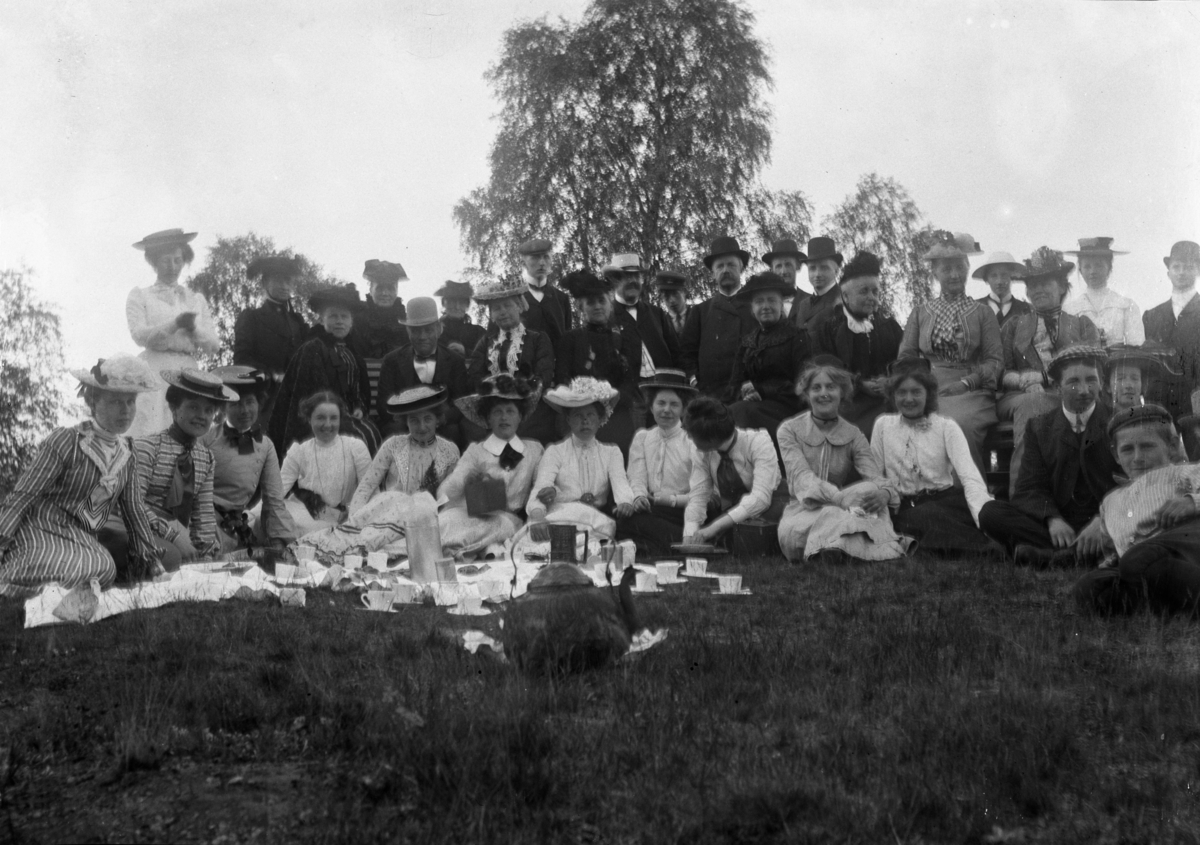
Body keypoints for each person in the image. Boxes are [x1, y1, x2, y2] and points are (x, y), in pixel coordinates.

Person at [0, 356, 166, 597]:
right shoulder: (66, 441)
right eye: (115, 402)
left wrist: (154, 564)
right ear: (92, 401)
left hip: (80, 536)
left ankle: (49, 589)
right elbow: (24, 495)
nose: (126, 410)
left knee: (104, 569)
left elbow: (135, 512)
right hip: (39, 526)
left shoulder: (127, 454)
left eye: (131, 401)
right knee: (88, 569)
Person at [978, 347, 1119, 567]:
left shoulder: (1116, 421)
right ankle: (1079, 554)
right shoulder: (1039, 427)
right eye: (1073, 382)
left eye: (1092, 380)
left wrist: (1103, 520)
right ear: (1056, 387)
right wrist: (1052, 518)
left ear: (1102, 382)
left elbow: (1128, 483)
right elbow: (1029, 487)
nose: (1084, 390)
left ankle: (1053, 556)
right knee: (990, 513)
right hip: (1059, 528)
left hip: (1104, 521)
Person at [777, 362, 911, 563]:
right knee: (831, 515)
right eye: (816, 388)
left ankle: (837, 548)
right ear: (806, 394)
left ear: (842, 392)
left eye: (831, 387)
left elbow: (874, 475)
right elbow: (802, 478)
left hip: (843, 508)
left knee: (870, 489)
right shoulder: (789, 430)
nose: (824, 393)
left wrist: (885, 493)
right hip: (804, 512)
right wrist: (840, 500)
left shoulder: (853, 434)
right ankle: (882, 543)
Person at [1073, 405, 1200, 616]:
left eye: (1147, 446)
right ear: (1115, 454)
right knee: (1088, 586)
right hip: (1140, 567)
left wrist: (1191, 502)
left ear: (1171, 446)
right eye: (1127, 449)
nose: (1137, 457)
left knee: (1137, 558)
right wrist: (1112, 560)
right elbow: (1114, 545)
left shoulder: (1185, 473)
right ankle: (1170, 604)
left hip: (1185, 552)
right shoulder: (1111, 501)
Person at [871, 360, 1002, 558]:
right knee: (916, 520)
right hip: (905, 505)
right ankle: (984, 550)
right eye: (901, 393)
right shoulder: (883, 425)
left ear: (928, 394)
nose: (909, 399)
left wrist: (981, 517)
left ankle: (987, 546)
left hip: (945, 501)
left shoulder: (945, 426)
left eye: (916, 392)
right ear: (893, 395)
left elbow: (969, 477)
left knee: (934, 517)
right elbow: (875, 476)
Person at [897, 231, 1002, 470]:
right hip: (929, 388)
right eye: (947, 269)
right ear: (935, 273)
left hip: (971, 390)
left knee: (959, 424)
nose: (954, 275)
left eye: (959, 267)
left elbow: (995, 361)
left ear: (967, 268)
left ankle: (967, 495)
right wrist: (920, 383)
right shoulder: (920, 312)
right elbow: (906, 357)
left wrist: (967, 383)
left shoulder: (983, 312)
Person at [997, 247, 1100, 493]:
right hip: (1021, 396)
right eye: (1033, 284)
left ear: (1063, 287)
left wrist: (1044, 377)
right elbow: (1000, 372)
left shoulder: (1082, 325)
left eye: (1046, 282)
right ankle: (1023, 496)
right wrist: (1024, 381)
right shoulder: (1013, 326)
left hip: (1072, 390)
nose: (1038, 289)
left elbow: (1091, 366)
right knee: (1035, 404)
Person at [132, 368, 238, 564]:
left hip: (174, 534)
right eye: (193, 407)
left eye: (208, 410)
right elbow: (133, 505)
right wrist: (174, 538)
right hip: (136, 526)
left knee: (214, 555)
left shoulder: (205, 458)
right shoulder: (147, 447)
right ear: (174, 408)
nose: (202, 416)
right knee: (173, 555)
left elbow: (203, 514)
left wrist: (207, 552)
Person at [124, 228, 221, 437]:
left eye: (178, 260)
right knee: (154, 428)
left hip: (188, 371)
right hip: (155, 370)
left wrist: (193, 328)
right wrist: (174, 324)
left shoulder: (195, 299)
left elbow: (213, 345)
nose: (172, 267)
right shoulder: (141, 296)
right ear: (154, 262)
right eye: (166, 261)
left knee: (188, 430)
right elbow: (139, 335)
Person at [438, 373, 546, 558]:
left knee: (503, 526)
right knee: (445, 521)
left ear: (520, 416)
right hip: (470, 514)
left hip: (507, 520)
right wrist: (466, 481)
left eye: (510, 411)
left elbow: (541, 487)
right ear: (488, 418)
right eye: (497, 412)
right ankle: (470, 551)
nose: (504, 418)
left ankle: (463, 552)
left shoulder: (534, 450)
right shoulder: (476, 451)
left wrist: (537, 514)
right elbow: (447, 491)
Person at [269, 284, 381, 456]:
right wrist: (338, 414)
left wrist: (359, 407)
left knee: (371, 431)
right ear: (322, 320)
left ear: (351, 322)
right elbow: (311, 394)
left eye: (344, 317)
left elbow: (359, 389)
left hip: (350, 417)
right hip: (321, 420)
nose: (339, 321)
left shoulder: (352, 353)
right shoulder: (313, 349)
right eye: (333, 316)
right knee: (358, 436)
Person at [200, 366, 297, 553]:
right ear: (222, 407)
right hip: (205, 522)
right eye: (235, 404)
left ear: (259, 403)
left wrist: (279, 543)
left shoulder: (265, 445)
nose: (245, 410)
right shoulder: (206, 439)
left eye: (250, 402)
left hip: (237, 526)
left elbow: (274, 499)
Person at [527, 378, 636, 542]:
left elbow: (620, 483)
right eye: (578, 415)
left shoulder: (611, 452)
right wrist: (537, 516)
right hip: (560, 515)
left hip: (593, 520)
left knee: (603, 527)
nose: (585, 421)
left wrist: (625, 502)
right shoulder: (555, 451)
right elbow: (541, 487)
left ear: (600, 419)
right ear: (568, 419)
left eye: (591, 415)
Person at [810, 251, 904, 438]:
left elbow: (902, 362)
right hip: (846, 403)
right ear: (845, 295)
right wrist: (859, 384)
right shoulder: (829, 328)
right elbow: (824, 370)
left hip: (888, 399)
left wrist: (889, 381)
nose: (872, 297)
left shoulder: (889, 327)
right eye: (864, 291)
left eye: (875, 291)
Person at [554, 270, 642, 456]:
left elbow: (631, 377)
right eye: (590, 303)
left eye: (602, 301)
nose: (597, 307)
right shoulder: (570, 339)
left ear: (610, 303)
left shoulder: (622, 339)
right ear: (581, 307)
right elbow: (562, 376)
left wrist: (615, 397)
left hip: (617, 416)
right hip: (581, 416)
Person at [466, 274, 557, 443]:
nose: (503, 312)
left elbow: (544, 375)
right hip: (493, 408)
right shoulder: (485, 342)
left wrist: (521, 391)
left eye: (507, 305)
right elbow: (475, 375)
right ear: (491, 315)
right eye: (496, 308)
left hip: (530, 411)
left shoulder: (538, 339)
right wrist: (493, 388)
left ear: (519, 306)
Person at [681, 396, 782, 547]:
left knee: (751, 531)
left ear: (711, 438)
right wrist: (689, 534)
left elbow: (761, 498)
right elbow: (698, 496)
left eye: (692, 436)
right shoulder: (702, 451)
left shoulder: (758, 442)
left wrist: (714, 528)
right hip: (731, 510)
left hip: (770, 505)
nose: (690, 439)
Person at [617, 369, 697, 555]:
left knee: (636, 525)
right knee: (624, 520)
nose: (666, 410)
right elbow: (636, 478)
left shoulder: (691, 441)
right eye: (660, 403)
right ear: (651, 407)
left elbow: (702, 495)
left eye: (674, 404)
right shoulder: (643, 438)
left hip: (682, 513)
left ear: (683, 409)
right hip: (652, 510)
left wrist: (668, 500)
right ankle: (661, 546)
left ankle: (658, 546)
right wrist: (639, 497)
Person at [348, 385, 460, 514]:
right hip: (392, 517)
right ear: (405, 422)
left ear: (437, 420)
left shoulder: (449, 451)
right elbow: (367, 485)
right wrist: (354, 519)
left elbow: (452, 496)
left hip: (432, 519)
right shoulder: (393, 445)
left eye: (427, 419)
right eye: (414, 420)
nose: (422, 427)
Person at [724, 271, 810, 435]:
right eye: (759, 302)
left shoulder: (797, 336)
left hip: (787, 408)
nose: (765, 306)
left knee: (744, 413)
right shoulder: (747, 342)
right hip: (750, 405)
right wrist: (744, 392)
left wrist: (762, 391)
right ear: (752, 308)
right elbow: (734, 383)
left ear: (781, 304)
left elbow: (803, 384)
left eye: (771, 300)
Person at [375, 296, 470, 443]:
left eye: (428, 330)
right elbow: (384, 403)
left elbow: (461, 402)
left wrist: (440, 419)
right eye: (416, 331)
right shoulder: (391, 361)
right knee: (393, 432)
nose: (422, 336)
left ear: (439, 329)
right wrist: (409, 420)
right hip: (404, 424)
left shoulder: (455, 361)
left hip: (442, 424)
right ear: (408, 331)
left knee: (453, 431)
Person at [279, 391, 373, 536]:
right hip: (307, 519)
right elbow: (276, 492)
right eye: (320, 418)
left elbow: (370, 490)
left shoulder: (355, 447)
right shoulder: (299, 452)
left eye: (334, 418)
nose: (328, 425)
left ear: (340, 419)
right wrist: (250, 516)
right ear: (309, 419)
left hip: (347, 518)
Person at [233, 255, 309, 433]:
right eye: (278, 280)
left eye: (288, 281)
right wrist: (271, 374)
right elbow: (241, 358)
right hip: (264, 398)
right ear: (265, 282)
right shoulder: (252, 318)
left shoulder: (297, 321)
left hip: (297, 399)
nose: (284, 286)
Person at [678, 236, 757, 395]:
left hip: (745, 394)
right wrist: (694, 380)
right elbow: (686, 353)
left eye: (731, 265)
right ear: (713, 273)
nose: (725, 270)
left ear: (741, 268)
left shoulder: (754, 308)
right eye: (720, 266)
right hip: (710, 395)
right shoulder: (700, 311)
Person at [1142, 240, 1200, 420]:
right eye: (1177, 266)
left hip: (1195, 399)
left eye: (1188, 267)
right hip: (1159, 400)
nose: (1182, 272)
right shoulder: (1152, 315)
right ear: (1168, 273)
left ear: (1197, 270)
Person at [603, 252, 680, 373]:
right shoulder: (607, 318)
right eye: (627, 276)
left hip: (663, 386)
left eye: (636, 276)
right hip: (628, 390)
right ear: (614, 281)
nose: (632, 281)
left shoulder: (657, 314)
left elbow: (676, 353)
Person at [1061, 237, 1144, 346]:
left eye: (1098, 265)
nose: (1092, 271)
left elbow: (1137, 347)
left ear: (1109, 268)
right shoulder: (1070, 310)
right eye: (1087, 266)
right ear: (1080, 270)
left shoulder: (1126, 306)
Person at [517, 237, 573, 348]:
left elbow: (567, 338)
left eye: (546, 257)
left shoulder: (562, 299)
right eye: (535, 258)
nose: (542, 263)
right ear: (523, 263)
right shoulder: (515, 299)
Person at [353, 259, 409, 359]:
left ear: (397, 290)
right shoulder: (357, 320)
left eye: (390, 288)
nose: (385, 293)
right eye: (380, 288)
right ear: (370, 289)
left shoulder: (407, 321)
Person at [791, 236, 845, 335]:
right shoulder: (803, 305)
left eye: (824, 268)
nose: (817, 274)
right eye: (812, 268)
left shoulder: (842, 302)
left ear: (836, 270)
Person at [973, 251, 1031, 329]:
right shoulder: (974, 308)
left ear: (1012, 276)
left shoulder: (1025, 309)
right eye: (994, 276)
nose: (999, 281)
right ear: (986, 279)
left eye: (1004, 275)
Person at [435, 280, 486, 357]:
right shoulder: (433, 332)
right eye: (452, 301)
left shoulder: (478, 333)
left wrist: (466, 352)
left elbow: (490, 358)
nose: (457, 307)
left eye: (461, 302)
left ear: (467, 305)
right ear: (443, 303)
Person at [762, 238, 809, 318]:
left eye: (788, 265)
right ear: (771, 270)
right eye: (778, 266)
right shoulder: (763, 305)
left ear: (798, 266)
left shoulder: (811, 301)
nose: (783, 271)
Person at [657, 271, 690, 337]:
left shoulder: (697, 317)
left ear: (684, 292)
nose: (671, 300)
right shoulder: (660, 324)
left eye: (675, 294)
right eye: (667, 295)